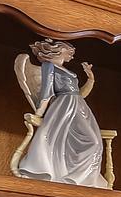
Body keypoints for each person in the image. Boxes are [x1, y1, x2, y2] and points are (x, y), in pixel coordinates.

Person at [12, 38, 114, 188]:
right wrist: (39, 114)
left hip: (79, 106)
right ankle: (73, 178)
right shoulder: (49, 66)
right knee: (92, 141)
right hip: (65, 107)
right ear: (59, 50)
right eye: (69, 51)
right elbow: (46, 93)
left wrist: (90, 80)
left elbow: (79, 93)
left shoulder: (67, 71)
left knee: (95, 142)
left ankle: (80, 179)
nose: (72, 54)